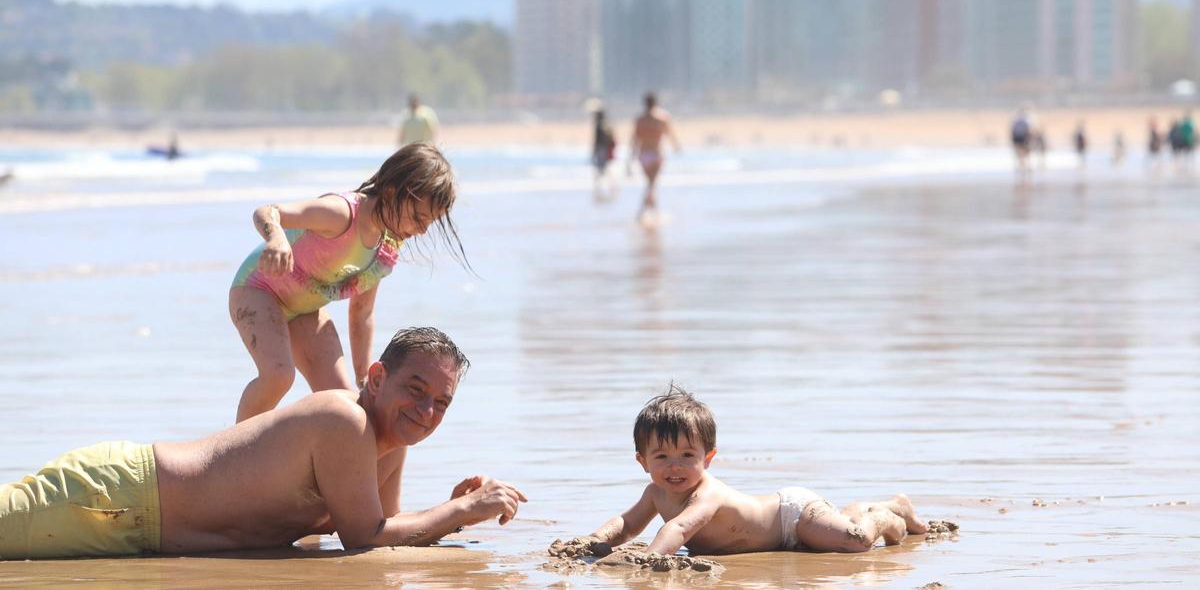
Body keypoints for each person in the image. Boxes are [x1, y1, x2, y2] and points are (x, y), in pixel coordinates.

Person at [0, 327, 528, 560]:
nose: (427, 410)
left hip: (137, 528)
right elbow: (362, 537)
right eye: (417, 390)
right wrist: (459, 508)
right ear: (375, 377)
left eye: (442, 402)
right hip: (119, 495)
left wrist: (452, 512)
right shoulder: (345, 419)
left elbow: (385, 532)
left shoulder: (388, 444)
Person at [230, 143, 466, 422]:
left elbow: (362, 313)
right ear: (391, 192)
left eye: (429, 223)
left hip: (305, 309)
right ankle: (236, 454)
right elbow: (268, 212)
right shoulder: (342, 214)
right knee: (279, 375)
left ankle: (319, 461)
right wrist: (277, 238)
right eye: (418, 218)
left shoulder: (385, 247)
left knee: (349, 406)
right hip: (259, 289)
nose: (422, 230)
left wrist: (365, 378)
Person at [573, 385, 927, 557]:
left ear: (708, 458)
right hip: (785, 536)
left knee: (858, 542)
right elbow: (627, 523)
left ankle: (886, 512)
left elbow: (679, 527)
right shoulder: (655, 494)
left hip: (792, 516)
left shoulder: (705, 493)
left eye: (687, 455)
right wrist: (593, 541)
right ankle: (864, 511)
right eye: (661, 457)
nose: (675, 466)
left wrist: (652, 558)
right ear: (642, 461)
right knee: (840, 533)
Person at [628, 93, 681, 218]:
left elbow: (634, 140)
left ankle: (653, 212)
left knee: (650, 183)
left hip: (644, 155)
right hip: (656, 154)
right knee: (651, 184)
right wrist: (676, 147)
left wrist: (631, 158)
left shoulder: (640, 119)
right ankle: (642, 211)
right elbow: (670, 134)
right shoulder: (662, 118)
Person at [591, 107, 616, 201]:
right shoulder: (608, 124)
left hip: (601, 151)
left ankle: (599, 192)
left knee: (599, 172)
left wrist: (593, 152)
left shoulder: (599, 126)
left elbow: (596, 141)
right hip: (607, 151)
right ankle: (611, 190)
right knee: (607, 171)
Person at [1010, 109, 1032, 174]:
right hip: (1023, 138)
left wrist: (1013, 141)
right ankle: (1027, 166)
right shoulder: (1025, 121)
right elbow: (1028, 131)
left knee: (1020, 153)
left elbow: (1012, 131)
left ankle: (1022, 167)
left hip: (1017, 138)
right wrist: (1029, 139)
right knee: (1026, 153)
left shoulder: (1015, 121)